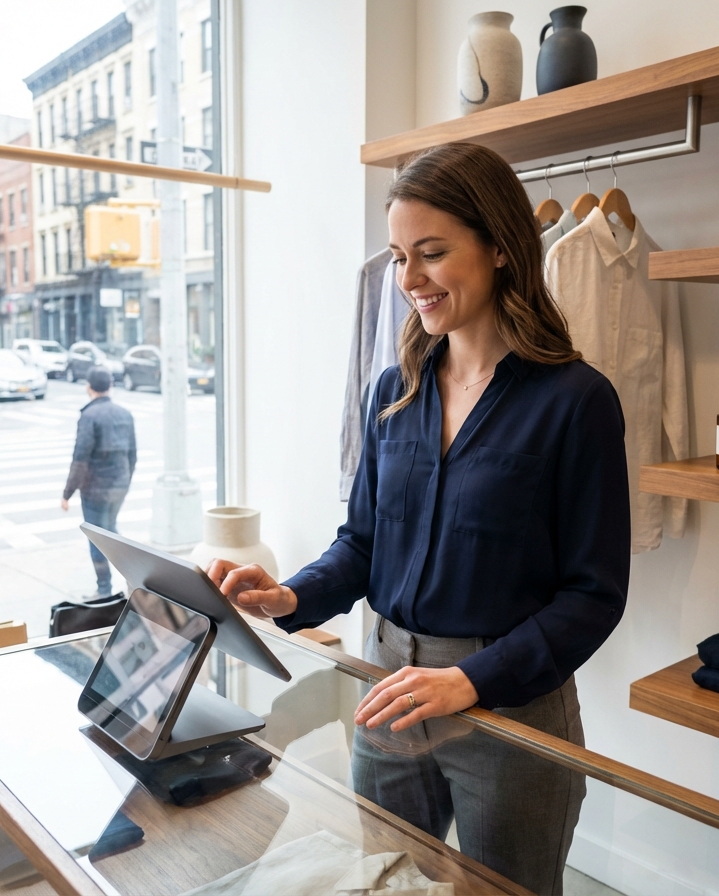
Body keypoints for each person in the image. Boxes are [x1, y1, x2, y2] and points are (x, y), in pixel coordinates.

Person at [205, 143, 630, 895]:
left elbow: (593, 597)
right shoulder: (393, 391)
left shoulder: (576, 402)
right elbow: (364, 544)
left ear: (501, 247)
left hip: (510, 714)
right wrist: (291, 595)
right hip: (388, 691)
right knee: (390, 884)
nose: (408, 280)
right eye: (401, 257)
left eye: (431, 253)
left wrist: (469, 679)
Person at [61, 366, 137, 597]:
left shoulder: (89, 416)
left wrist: (67, 493)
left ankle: (104, 590)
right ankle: (135, 580)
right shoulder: (125, 414)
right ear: (110, 386)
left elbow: (80, 459)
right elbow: (132, 455)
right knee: (110, 531)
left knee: (98, 537)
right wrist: (125, 481)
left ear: (88, 388)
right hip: (119, 486)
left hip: (95, 489)